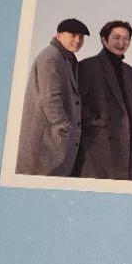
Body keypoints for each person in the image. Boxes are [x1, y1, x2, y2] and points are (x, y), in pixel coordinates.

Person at [74, 20, 132, 180]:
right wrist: (95, 121)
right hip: (97, 146)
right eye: (116, 38)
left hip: (125, 146)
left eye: (126, 38)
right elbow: (74, 103)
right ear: (104, 39)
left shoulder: (129, 71)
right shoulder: (88, 66)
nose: (122, 43)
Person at [15, 18, 89, 176]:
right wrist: (65, 128)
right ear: (58, 35)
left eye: (81, 37)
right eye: (73, 35)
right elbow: (50, 98)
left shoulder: (65, 57)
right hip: (46, 141)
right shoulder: (50, 57)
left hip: (53, 141)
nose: (78, 40)